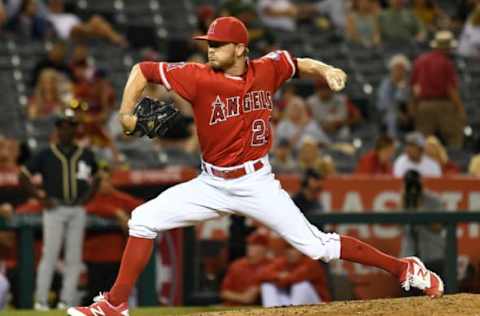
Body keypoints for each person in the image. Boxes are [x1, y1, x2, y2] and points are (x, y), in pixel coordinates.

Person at [69, 16, 443, 316]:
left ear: (240, 49)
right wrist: (124, 112)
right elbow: (143, 69)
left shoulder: (267, 69)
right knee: (143, 220)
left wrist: (326, 70)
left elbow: (298, 63)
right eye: (209, 43)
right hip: (210, 184)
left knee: (319, 248)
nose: (211, 49)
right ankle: (115, 304)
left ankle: (405, 268)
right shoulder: (198, 76)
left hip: (257, 183)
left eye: (218, 44)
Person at [19, 110, 99, 310]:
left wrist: (87, 198)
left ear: (75, 129)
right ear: (57, 129)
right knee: (50, 255)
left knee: (74, 258)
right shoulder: (46, 153)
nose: (66, 130)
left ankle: (66, 301)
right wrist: (40, 198)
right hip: (54, 208)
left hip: (76, 208)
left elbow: (98, 177)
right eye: (63, 126)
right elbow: (23, 174)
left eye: (71, 126)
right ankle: (41, 301)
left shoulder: (86, 154)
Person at [83, 166, 142, 304]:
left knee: (113, 296)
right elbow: (88, 208)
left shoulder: (118, 197)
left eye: (108, 180)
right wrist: (115, 212)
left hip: (116, 256)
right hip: (95, 256)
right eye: (102, 181)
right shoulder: (90, 198)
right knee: (95, 295)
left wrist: (128, 216)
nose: (106, 184)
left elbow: (140, 205)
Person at [411, 30, 466, 148]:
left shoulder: (420, 61)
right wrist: (460, 109)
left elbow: (414, 88)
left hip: (424, 105)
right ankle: (454, 163)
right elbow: (451, 89)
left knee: (422, 142)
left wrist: (415, 107)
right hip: (443, 105)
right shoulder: (446, 63)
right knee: (454, 137)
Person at [400, 170, 446, 280]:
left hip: (432, 255)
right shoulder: (404, 200)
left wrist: (420, 211)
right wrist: (404, 203)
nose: (412, 189)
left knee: (437, 293)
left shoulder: (433, 200)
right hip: (409, 256)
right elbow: (400, 225)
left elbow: (438, 227)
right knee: (409, 295)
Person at [259, 243, 331, 307]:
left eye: (293, 249)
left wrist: (281, 278)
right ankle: (272, 313)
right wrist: (278, 275)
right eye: (288, 249)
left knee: (301, 285)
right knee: (267, 286)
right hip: (292, 301)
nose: (290, 252)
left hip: (318, 303)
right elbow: (262, 274)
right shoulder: (283, 261)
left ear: (301, 251)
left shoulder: (310, 262)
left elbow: (294, 278)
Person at [220, 233, 272, 306]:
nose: (250, 247)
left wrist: (260, 289)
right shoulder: (237, 265)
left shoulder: (271, 265)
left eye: (255, 245)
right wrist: (242, 298)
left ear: (264, 248)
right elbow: (224, 292)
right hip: (233, 307)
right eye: (249, 244)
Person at [376, 54, 412, 138]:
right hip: (387, 112)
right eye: (397, 68)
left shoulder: (407, 84)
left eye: (402, 69)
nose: (399, 71)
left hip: (405, 112)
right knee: (392, 116)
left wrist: (409, 112)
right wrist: (400, 114)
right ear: (392, 70)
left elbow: (409, 100)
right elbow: (386, 103)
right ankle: (393, 141)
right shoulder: (386, 84)